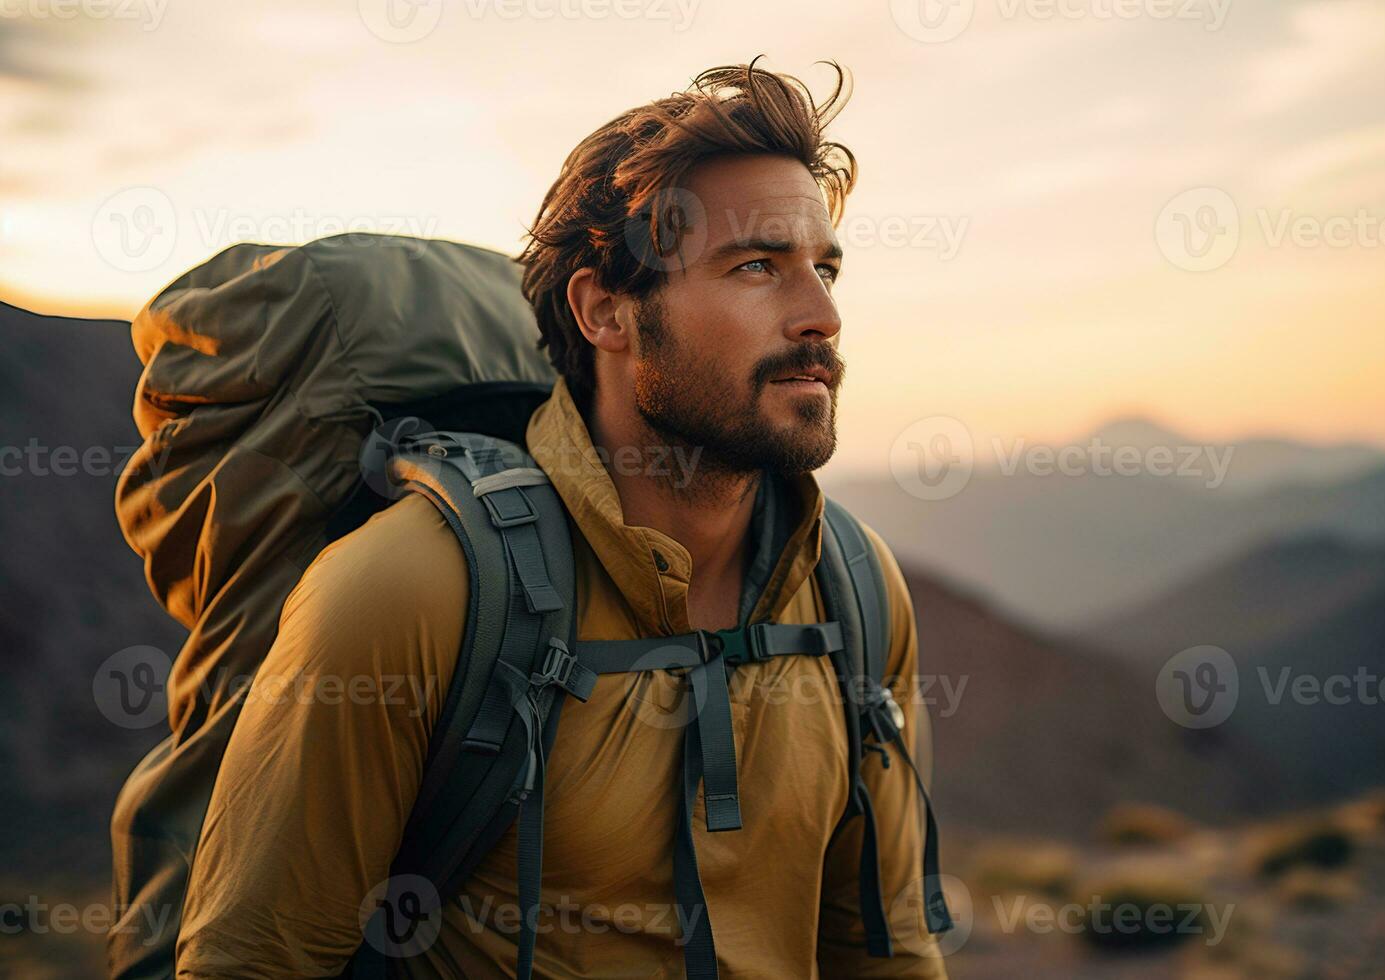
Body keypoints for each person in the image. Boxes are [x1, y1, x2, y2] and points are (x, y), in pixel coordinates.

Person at [175, 58, 948, 978]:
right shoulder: (409, 593)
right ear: (605, 311)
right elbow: (255, 963)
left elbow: (886, 952)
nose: (822, 316)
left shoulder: (855, 593)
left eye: (824, 269)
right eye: (756, 268)